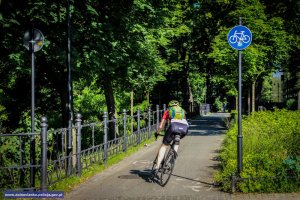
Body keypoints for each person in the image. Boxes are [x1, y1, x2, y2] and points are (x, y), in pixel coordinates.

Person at [153, 100, 189, 172]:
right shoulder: (183, 111)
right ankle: (173, 158)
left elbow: (161, 126)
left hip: (173, 128)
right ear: (178, 105)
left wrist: (157, 132)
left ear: (170, 106)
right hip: (184, 129)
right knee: (176, 140)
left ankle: (157, 167)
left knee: (164, 146)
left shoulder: (168, 111)